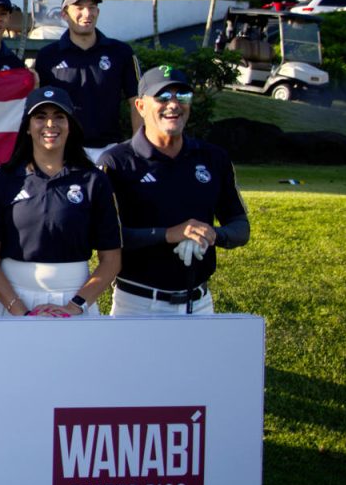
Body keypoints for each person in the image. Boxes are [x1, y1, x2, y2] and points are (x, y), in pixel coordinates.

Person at [100, 66, 250, 315]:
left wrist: (210, 235)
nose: (173, 105)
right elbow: (106, 237)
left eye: (182, 96)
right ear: (140, 106)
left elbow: (240, 228)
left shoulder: (213, 158)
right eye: (162, 97)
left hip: (199, 303)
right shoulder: (117, 162)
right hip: (138, 303)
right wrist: (170, 234)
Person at [0, 86, 122, 318]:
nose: (50, 125)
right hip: (12, 302)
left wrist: (75, 306)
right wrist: (20, 311)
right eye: (40, 117)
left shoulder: (94, 181)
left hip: (74, 300)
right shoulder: (3, 181)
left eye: (59, 117)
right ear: (27, 127)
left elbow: (111, 259)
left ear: (70, 125)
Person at [33, 0, 139, 163]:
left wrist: (137, 149)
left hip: (110, 150)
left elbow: (137, 103)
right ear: (64, 14)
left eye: (92, 7)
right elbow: (36, 108)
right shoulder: (47, 56)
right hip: (64, 151)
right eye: (80, 7)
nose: (87, 13)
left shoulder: (120, 52)